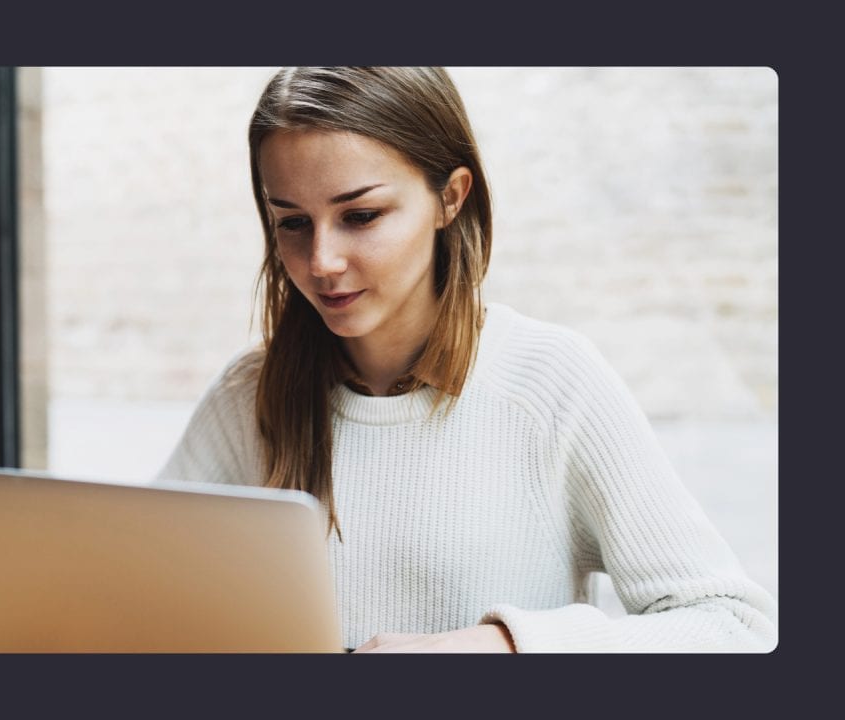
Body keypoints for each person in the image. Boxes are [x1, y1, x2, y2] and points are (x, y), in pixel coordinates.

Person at [155, 67, 777, 653]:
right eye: (292, 223)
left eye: (361, 216)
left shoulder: (549, 382)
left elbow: (732, 626)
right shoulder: (250, 393)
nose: (322, 262)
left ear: (450, 198)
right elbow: (131, 593)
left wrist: (507, 647)